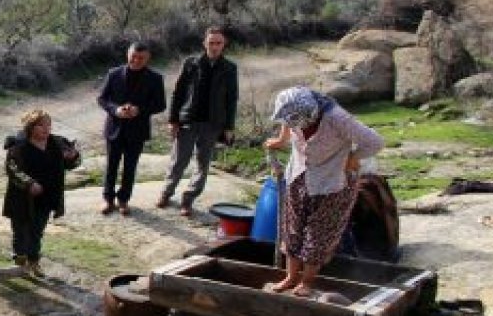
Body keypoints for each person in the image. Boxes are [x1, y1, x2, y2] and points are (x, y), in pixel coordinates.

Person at [263, 86, 385, 298]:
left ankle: (307, 282)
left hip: (333, 182)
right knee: (293, 230)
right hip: (300, 175)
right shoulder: (292, 110)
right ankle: (291, 278)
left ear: (311, 114)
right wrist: (282, 141)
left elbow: (375, 142)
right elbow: (287, 123)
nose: (292, 125)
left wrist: (353, 158)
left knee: (318, 235)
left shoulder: (337, 118)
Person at [159, 27, 238, 216]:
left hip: (213, 124)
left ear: (224, 44)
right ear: (205, 43)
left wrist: (229, 127)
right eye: (211, 42)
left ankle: (188, 200)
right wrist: (173, 120)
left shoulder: (229, 68)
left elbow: (231, 99)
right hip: (189, 120)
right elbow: (178, 93)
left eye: (218, 43)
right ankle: (166, 193)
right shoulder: (191, 63)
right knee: (179, 161)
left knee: (203, 164)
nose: (215, 46)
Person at [2, 109, 81, 277]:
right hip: (23, 198)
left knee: (37, 232)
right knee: (21, 231)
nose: (46, 129)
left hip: (47, 197)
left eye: (48, 125)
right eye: (41, 125)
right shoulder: (18, 146)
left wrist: (73, 157)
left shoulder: (57, 143)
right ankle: (20, 261)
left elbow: (73, 163)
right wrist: (29, 183)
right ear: (31, 127)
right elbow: (12, 169)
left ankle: (34, 261)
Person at [96, 42, 166, 216]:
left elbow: (160, 105)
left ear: (148, 58)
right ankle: (108, 199)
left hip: (138, 130)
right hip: (115, 128)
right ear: (128, 54)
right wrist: (116, 110)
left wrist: (139, 110)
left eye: (141, 58)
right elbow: (102, 99)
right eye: (133, 56)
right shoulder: (114, 74)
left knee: (130, 167)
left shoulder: (155, 78)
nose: (136, 60)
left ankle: (123, 200)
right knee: (111, 166)